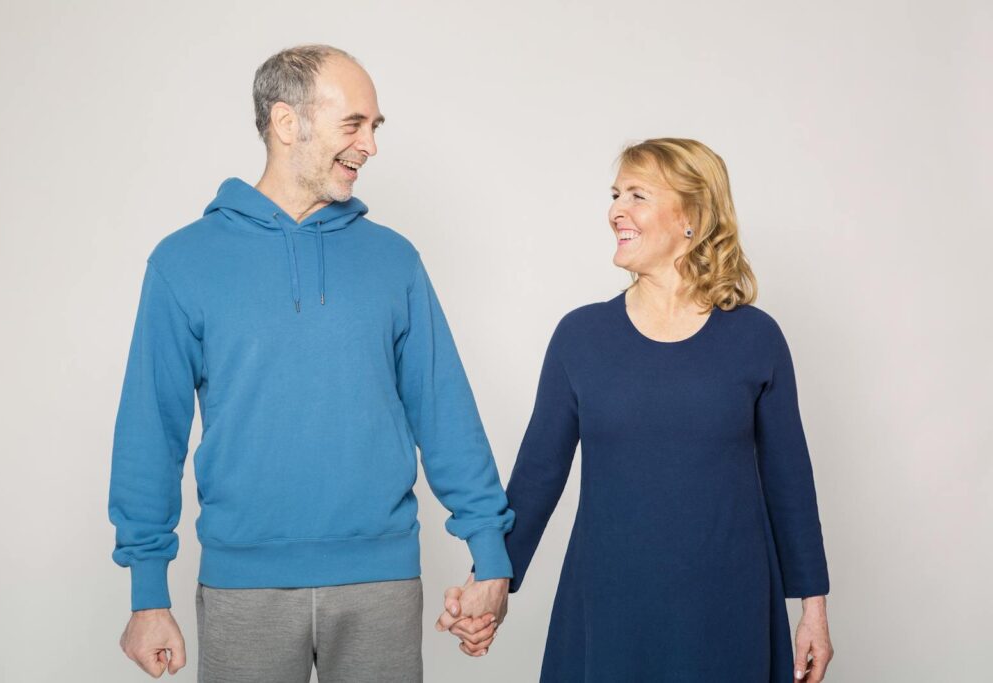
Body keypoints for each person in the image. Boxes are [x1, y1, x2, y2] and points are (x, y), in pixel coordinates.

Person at [108, 44, 512, 682]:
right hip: (244, 587)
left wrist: (489, 552)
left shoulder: (394, 260)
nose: (370, 145)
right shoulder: (183, 262)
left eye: (374, 127)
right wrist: (146, 593)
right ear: (286, 123)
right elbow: (148, 433)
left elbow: (445, 411)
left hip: (381, 582)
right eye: (354, 124)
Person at [438, 138, 834, 681]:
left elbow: (790, 479)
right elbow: (536, 478)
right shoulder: (581, 336)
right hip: (608, 606)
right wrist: (492, 578)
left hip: (728, 607)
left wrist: (813, 611)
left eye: (638, 195)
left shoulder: (755, 338)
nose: (616, 211)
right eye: (616, 194)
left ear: (691, 216)